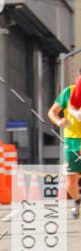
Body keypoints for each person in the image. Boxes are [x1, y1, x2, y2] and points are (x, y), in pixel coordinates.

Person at [47, 71, 81, 218]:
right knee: (71, 180)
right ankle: (77, 201)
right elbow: (52, 112)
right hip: (71, 141)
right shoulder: (69, 92)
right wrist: (59, 121)